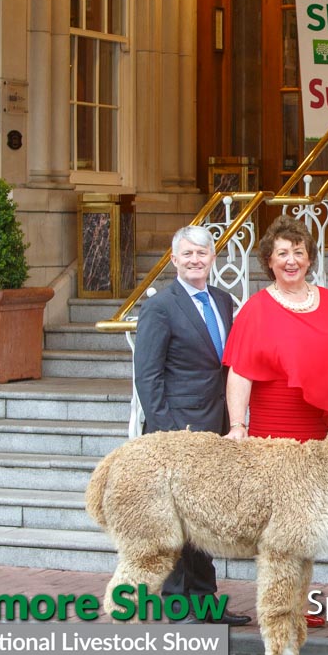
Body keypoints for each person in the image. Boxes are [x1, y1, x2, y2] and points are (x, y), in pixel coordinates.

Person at [222, 215, 328, 627]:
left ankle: (299, 601)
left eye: (298, 252)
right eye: (282, 253)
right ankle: (278, 607)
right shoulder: (256, 309)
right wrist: (238, 426)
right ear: (269, 261)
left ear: (310, 258)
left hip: (319, 427)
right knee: (279, 526)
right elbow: (240, 371)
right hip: (274, 428)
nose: (291, 260)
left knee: (308, 520)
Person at [133, 225, 250, 626]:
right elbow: (148, 377)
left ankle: (205, 601)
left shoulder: (223, 300)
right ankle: (178, 606)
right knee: (178, 522)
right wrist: (168, 434)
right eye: (188, 254)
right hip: (176, 432)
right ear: (174, 260)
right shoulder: (160, 307)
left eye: (202, 253)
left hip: (215, 428)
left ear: (212, 259)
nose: (195, 260)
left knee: (205, 519)